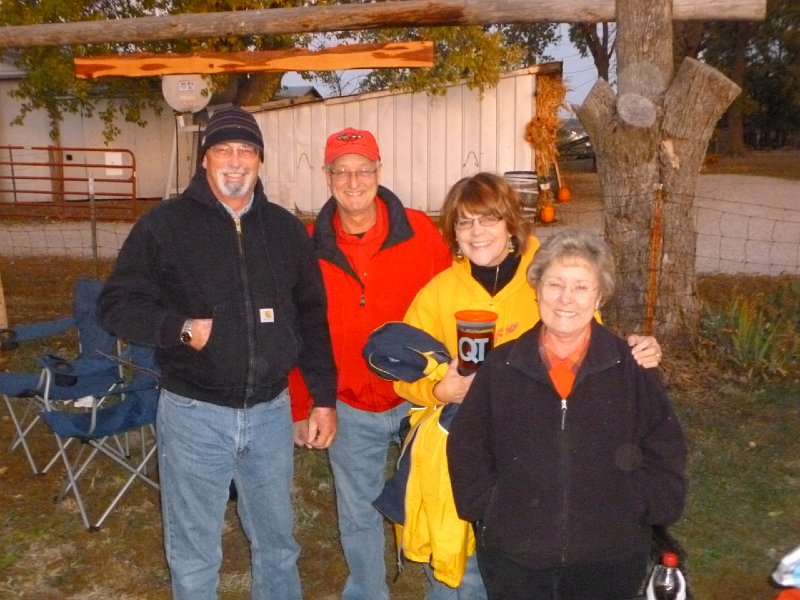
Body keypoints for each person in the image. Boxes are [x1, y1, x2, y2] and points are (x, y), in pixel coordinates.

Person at [98, 106, 338, 600]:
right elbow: (117, 305)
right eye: (223, 150)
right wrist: (178, 329)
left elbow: (312, 316)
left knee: (278, 544)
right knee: (194, 552)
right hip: (193, 414)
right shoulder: (164, 226)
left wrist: (323, 397)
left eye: (246, 150)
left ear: (259, 161)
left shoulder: (285, 229)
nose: (235, 161)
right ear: (204, 160)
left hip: (271, 414)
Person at [393, 173, 664, 599]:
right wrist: (438, 392)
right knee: (457, 568)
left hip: (536, 455)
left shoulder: (548, 274)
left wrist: (638, 350)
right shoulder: (437, 293)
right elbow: (404, 376)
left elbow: (589, 345)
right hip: (462, 442)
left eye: (489, 219)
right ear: (453, 234)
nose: (477, 232)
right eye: (464, 223)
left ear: (510, 225)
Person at [446, 228, 687, 600]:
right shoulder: (501, 366)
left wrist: (642, 509)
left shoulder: (630, 367)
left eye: (580, 287)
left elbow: (664, 448)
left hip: (609, 557)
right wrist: (489, 511)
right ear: (537, 289)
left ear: (599, 296)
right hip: (516, 558)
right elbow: (467, 447)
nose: (566, 300)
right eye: (555, 284)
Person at [287, 127, 452, 599]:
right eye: (342, 171)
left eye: (364, 169)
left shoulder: (421, 233)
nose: (353, 181)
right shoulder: (306, 244)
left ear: (379, 172)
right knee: (356, 509)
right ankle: (367, 590)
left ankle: (443, 586)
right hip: (347, 404)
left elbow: (451, 307)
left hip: (418, 399)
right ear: (327, 176)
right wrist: (303, 404)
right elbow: (295, 330)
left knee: (428, 500)